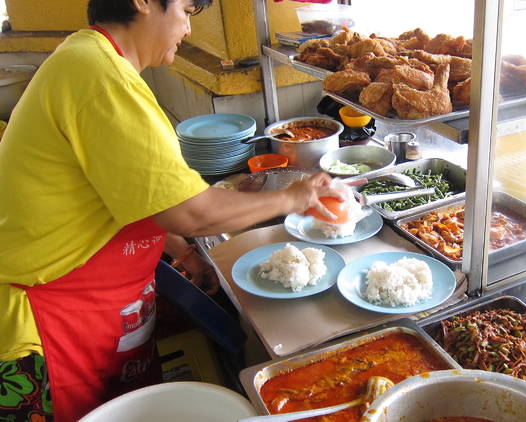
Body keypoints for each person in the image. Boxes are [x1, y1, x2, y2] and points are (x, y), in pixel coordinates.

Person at [0, 0, 341, 420]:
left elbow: (127, 188)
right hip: (52, 325)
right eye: (184, 9)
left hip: (98, 310)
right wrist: (295, 197)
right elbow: (191, 212)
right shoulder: (100, 76)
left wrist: (179, 247)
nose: (187, 29)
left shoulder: (90, 59)